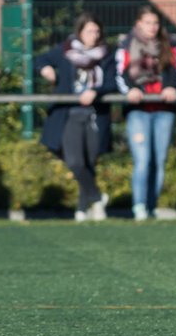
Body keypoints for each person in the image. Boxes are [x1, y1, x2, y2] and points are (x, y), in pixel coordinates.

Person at [37, 13, 118, 221]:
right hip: (70, 115)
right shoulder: (65, 51)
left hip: (94, 115)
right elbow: (40, 59)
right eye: (90, 31)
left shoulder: (107, 55)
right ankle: (98, 198)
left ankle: (83, 209)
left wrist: (96, 92)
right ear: (80, 32)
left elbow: (112, 82)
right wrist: (46, 69)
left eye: (97, 31)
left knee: (89, 163)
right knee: (75, 162)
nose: (94, 35)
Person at [116, 6, 176, 221]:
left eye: (155, 23)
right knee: (142, 159)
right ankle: (139, 207)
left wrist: (172, 87)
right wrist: (131, 89)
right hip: (138, 110)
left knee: (159, 160)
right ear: (138, 24)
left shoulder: (169, 45)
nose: (152, 27)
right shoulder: (126, 45)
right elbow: (120, 74)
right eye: (147, 23)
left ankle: (153, 206)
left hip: (164, 110)